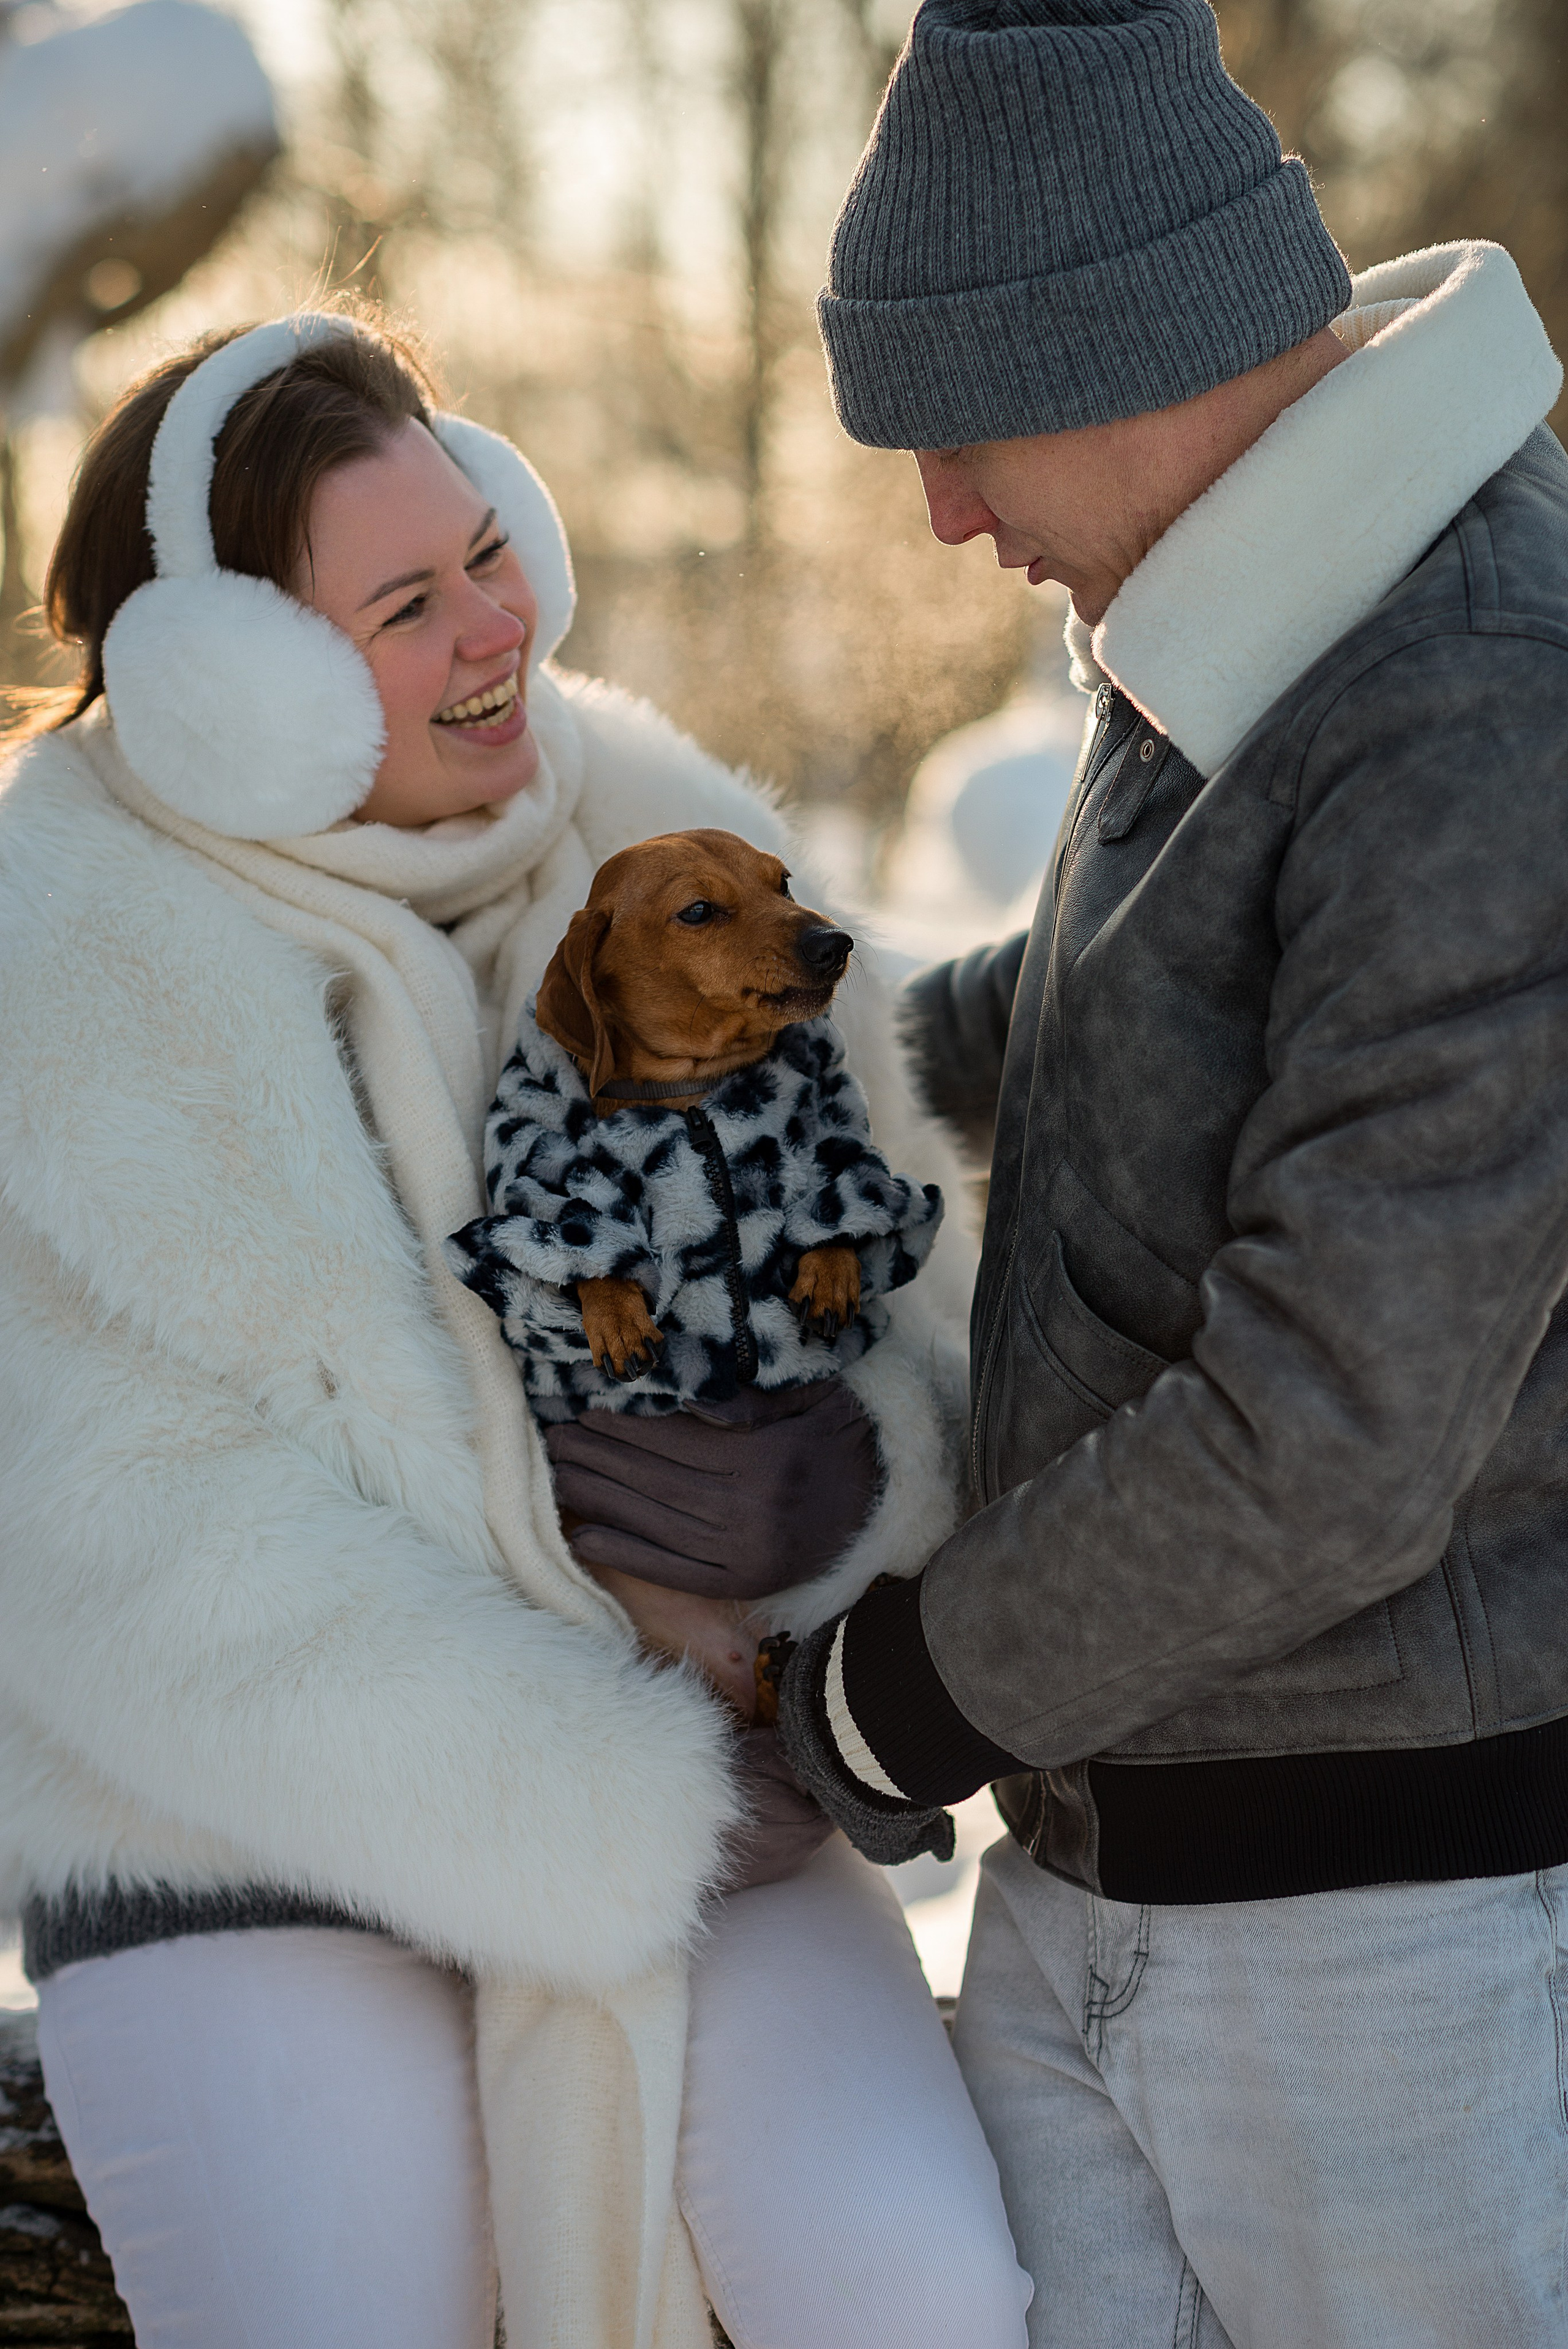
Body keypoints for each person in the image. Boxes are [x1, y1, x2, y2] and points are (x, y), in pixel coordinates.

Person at [0, 307, 1030, 2349]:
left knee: (920, 2292)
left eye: (491, 553)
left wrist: (848, 1483)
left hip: (725, 1799)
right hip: (243, 1850)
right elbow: (121, 1556)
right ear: (235, 690)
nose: (498, 629)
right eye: (407, 602)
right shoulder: (60, 967)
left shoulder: (660, 836)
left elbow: (918, 1314)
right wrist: (616, 1751)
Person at [769, 3, 1568, 2344]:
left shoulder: (1481, 697)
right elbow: (1088, 1016)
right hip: (1098, 1889)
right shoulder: (1235, 612)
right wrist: (748, 1087)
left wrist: (872, 1706)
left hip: (1396, 1961)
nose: (941, 513)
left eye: (950, 430)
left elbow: (1332, 1429)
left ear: (1111, 345)